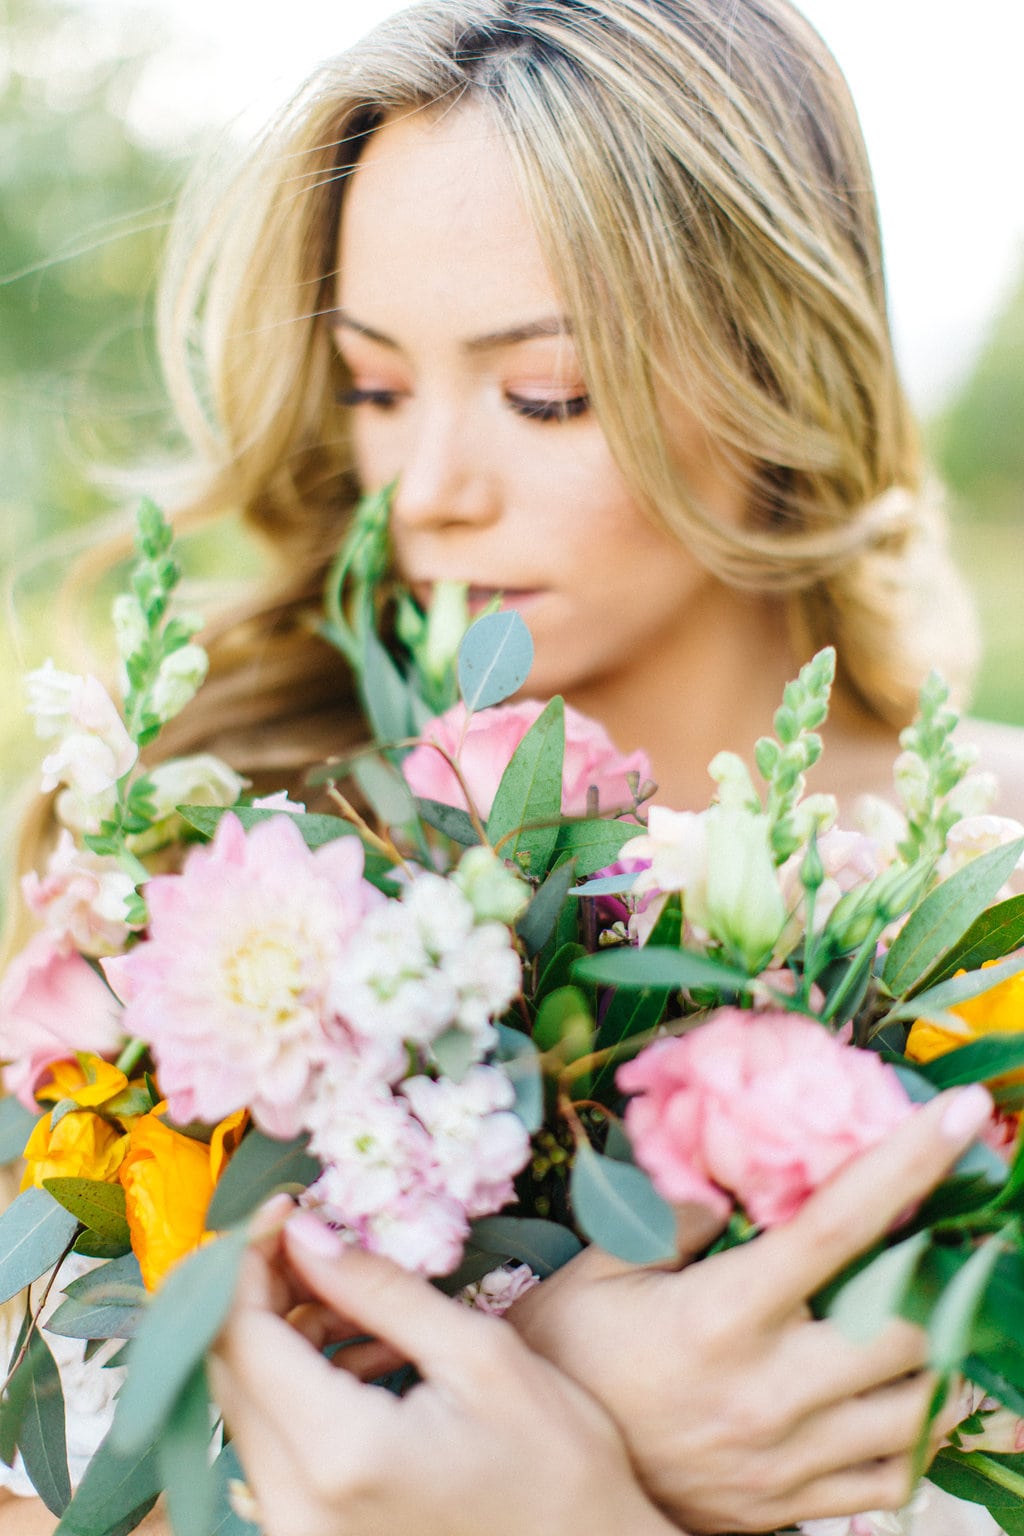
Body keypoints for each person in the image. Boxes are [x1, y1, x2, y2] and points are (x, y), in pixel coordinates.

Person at [3, 0, 1023, 1531]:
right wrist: (548, 1387)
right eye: (374, 388)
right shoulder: (198, 894)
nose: (428, 491)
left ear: (781, 367)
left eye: (547, 392)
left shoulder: (989, 894)